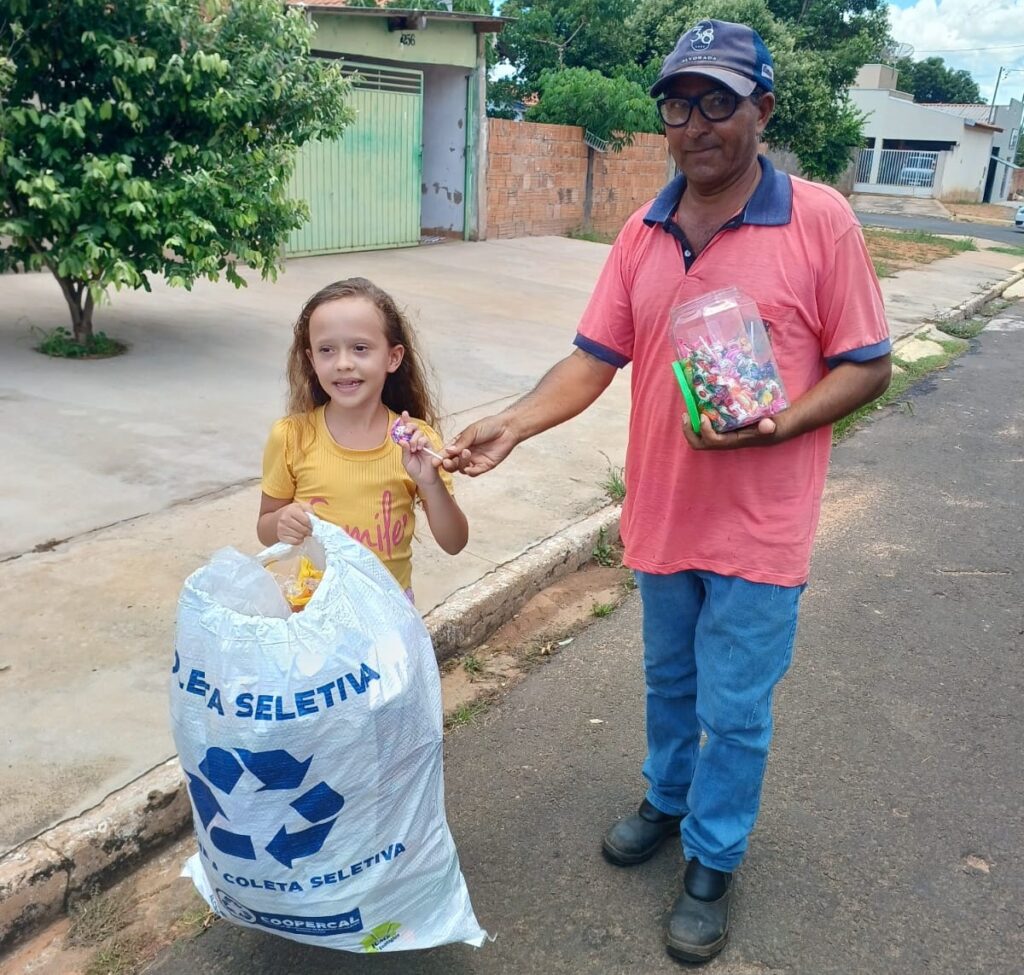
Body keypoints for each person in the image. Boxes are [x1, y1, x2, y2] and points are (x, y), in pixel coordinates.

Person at [442, 18, 891, 965]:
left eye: (718, 101)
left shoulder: (820, 221)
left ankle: (713, 858)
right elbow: (593, 358)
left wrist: (783, 422)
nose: (696, 125)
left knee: (736, 707)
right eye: (678, 106)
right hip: (663, 511)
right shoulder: (641, 232)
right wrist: (512, 422)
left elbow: (869, 364)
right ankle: (668, 796)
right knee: (668, 681)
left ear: (763, 111)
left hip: (762, 527)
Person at [258, 277, 467, 601]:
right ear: (312, 360)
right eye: (327, 350)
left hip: (389, 613)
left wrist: (430, 482)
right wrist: (282, 523)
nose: (343, 363)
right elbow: (265, 528)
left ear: (393, 358)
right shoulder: (291, 436)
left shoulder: (416, 442)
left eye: (360, 348)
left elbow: (454, 543)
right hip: (316, 610)